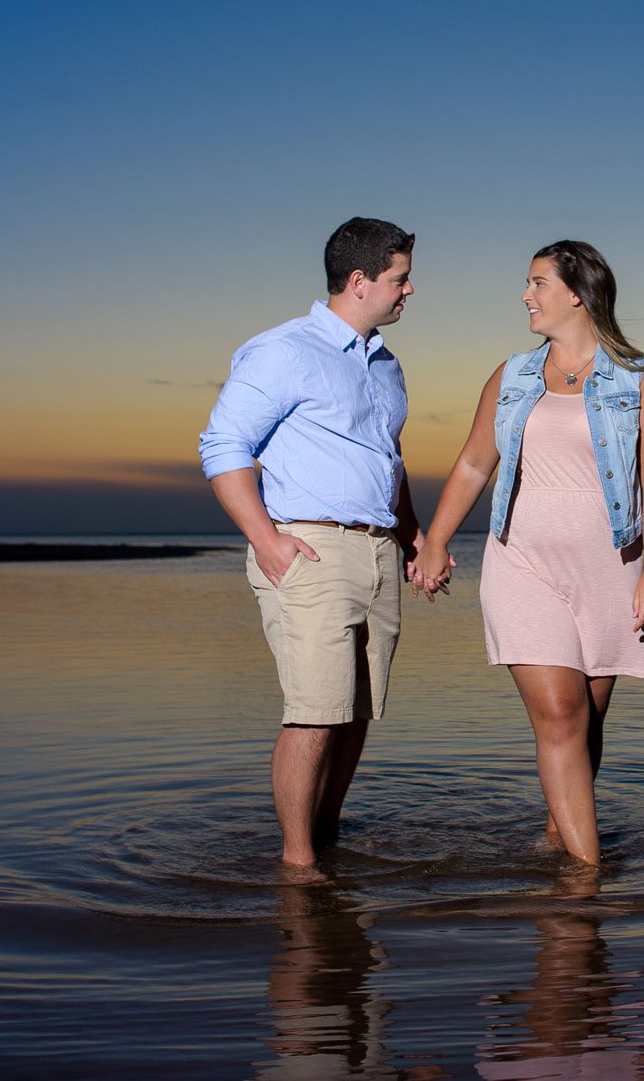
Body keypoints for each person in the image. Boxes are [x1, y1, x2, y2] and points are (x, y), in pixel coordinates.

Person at [416, 240, 644, 866]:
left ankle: (561, 836)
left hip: (610, 568)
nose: (526, 295)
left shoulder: (638, 378)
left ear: (579, 294)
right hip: (522, 561)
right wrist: (437, 540)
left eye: (537, 283)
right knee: (560, 715)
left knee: (586, 722)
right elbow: (477, 461)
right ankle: (587, 878)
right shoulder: (511, 376)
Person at [198, 217, 430, 874]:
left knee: (356, 712)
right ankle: (298, 868)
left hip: (378, 551)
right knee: (315, 712)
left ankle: (325, 838)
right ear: (359, 281)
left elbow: (391, 460)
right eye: (400, 277)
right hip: (309, 551)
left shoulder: (387, 364)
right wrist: (266, 540)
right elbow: (222, 446)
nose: (410, 289)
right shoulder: (282, 351)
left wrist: (412, 538)